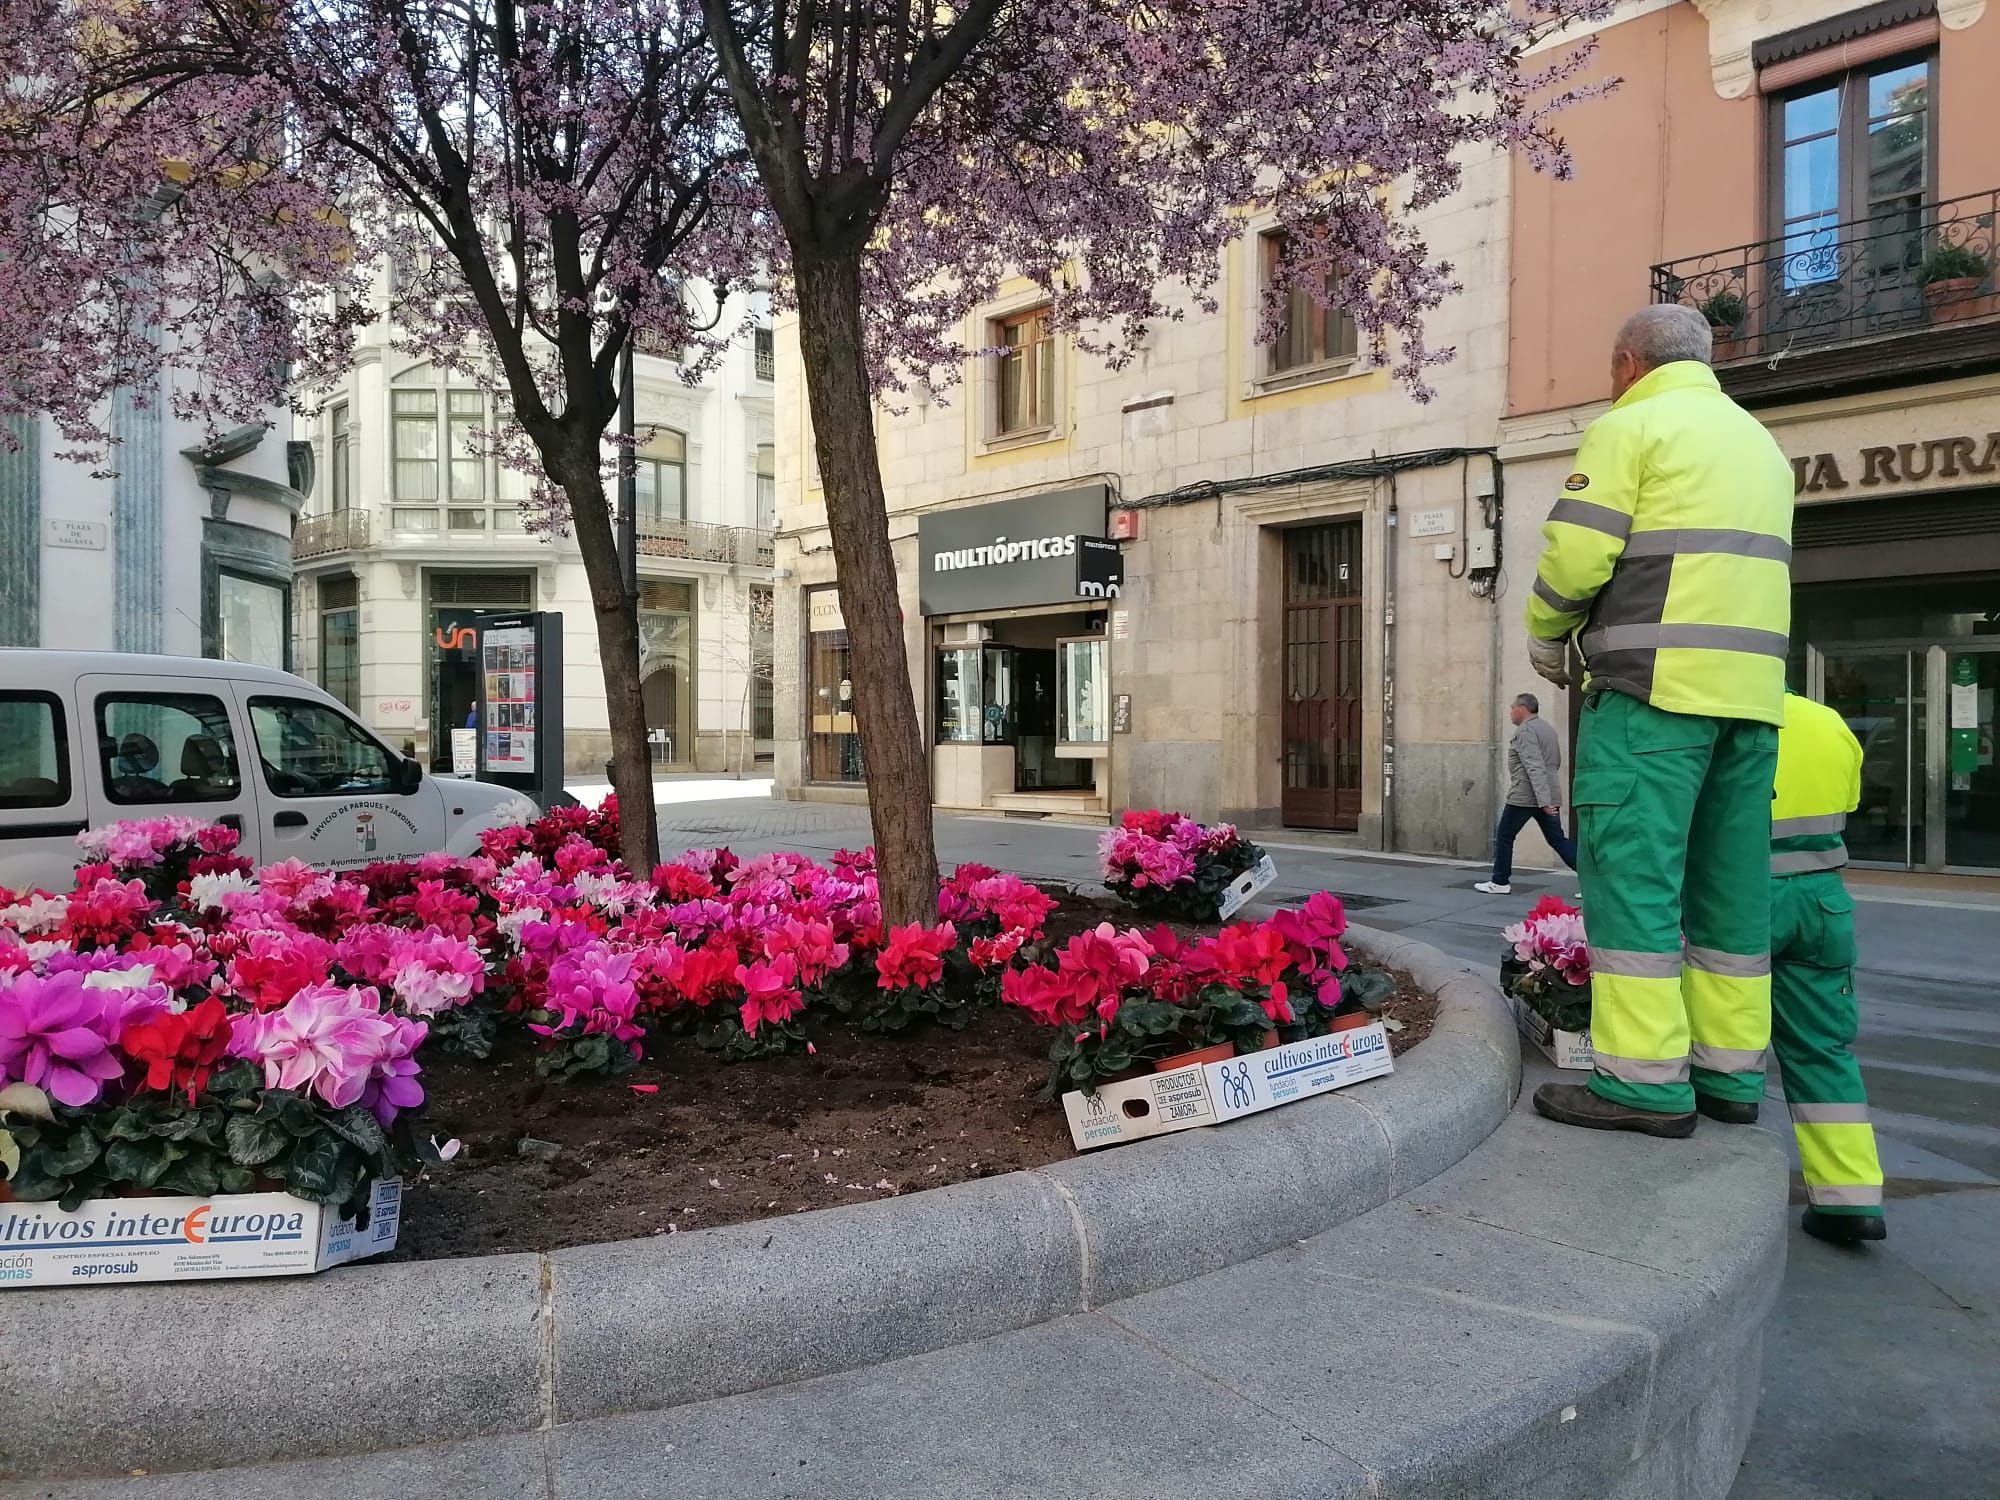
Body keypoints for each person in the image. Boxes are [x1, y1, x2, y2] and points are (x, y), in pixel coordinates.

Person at [1524, 304, 1795, 1139]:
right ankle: (1729, 1077)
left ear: (1628, 363)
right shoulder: (1762, 445)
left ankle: (1642, 1084)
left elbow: (1577, 554)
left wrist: (1544, 635)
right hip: (1750, 705)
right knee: (1731, 897)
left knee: (1635, 888)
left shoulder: (1632, 427)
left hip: (1652, 699)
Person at [1766, 692, 1886, 1243]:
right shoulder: (1830, 722)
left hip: (1743, 898)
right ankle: (1850, 1198)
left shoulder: (1736, 722)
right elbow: (1850, 802)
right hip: (1823, 902)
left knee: (1720, 1047)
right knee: (1823, 1049)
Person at [1475, 693, 1575, 895]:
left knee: (1504, 835)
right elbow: (1554, 762)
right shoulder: (1547, 728)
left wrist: (1544, 801)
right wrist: (1548, 798)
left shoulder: (1526, 731)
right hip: (1546, 793)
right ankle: (1594, 883)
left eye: (1512, 708)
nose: (1511, 712)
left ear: (1523, 708)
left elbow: (1534, 766)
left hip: (1525, 796)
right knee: (1558, 840)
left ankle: (1500, 881)